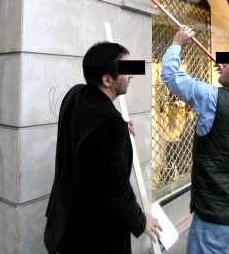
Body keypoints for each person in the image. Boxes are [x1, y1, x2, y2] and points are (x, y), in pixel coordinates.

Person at [161, 26, 229, 254]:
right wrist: (228, 74)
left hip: (216, 219)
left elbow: (171, 76)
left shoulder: (212, 98)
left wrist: (177, 43)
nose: (223, 62)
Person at [44, 41, 161, 254]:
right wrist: (141, 221)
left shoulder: (75, 94)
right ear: (107, 80)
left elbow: (89, 134)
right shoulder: (110, 125)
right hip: (97, 237)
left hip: (66, 223)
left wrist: (119, 127)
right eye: (126, 71)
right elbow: (116, 188)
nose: (132, 75)